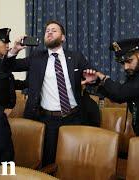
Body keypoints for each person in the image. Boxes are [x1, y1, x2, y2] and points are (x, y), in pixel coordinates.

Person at [9, 20, 94, 165]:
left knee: (73, 160)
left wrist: (92, 79)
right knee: (49, 160)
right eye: (47, 30)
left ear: (63, 37)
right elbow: (10, 66)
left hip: (74, 117)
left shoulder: (76, 57)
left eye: (54, 30)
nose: (49, 32)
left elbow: (92, 77)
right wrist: (14, 50)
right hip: (48, 120)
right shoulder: (36, 57)